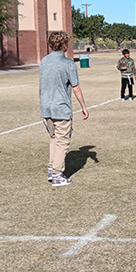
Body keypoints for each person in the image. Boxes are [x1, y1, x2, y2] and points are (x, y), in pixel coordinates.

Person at [40, 31, 89, 187]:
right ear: (62, 44)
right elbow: (75, 87)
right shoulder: (68, 63)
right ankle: (57, 174)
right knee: (63, 142)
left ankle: (51, 168)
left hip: (47, 108)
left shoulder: (44, 61)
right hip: (61, 109)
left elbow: (42, 86)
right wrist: (83, 106)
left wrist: (42, 106)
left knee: (54, 139)